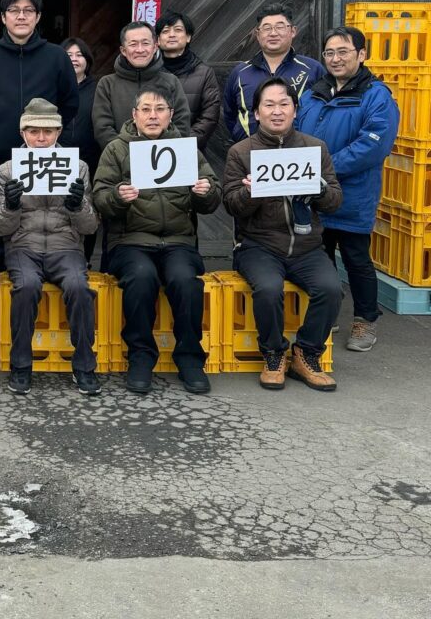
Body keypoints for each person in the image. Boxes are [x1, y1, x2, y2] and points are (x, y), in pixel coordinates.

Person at [93, 88, 221, 395]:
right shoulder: (117, 149)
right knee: (141, 277)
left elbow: (212, 196)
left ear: (171, 115)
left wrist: (205, 191)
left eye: (160, 109)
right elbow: (100, 198)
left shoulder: (185, 149)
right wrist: (117, 197)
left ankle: (190, 357)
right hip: (131, 241)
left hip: (178, 240)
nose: (153, 115)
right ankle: (140, 355)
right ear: (134, 115)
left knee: (185, 280)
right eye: (146, 109)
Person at [224, 77, 343, 392]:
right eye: (268, 105)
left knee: (331, 289)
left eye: (284, 104)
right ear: (257, 113)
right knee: (268, 288)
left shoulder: (315, 148)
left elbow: (334, 201)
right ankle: (274, 353)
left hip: (307, 246)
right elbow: (231, 206)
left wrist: (320, 188)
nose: (277, 111)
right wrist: (251, 192)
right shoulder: (241, 152)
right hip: (258, 246)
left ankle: (306, 352)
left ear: (295, 110)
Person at [296, 26, 399, 352]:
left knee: (356, 258)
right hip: (313, 192)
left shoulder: (376, 95)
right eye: (329, 52)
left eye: (343, 51)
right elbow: (297, 132)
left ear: (361, 54)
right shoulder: (314, 92)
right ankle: (328, 313)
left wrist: (323, 169)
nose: (336, 58)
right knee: (318, 254)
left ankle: (365, 320)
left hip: (352, 193)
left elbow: (372, 145)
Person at [0, 99, 100, 396]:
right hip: (23, 245)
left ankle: (84, 364)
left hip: (66, 245)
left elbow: (90, 227)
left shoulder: (76, 167)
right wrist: (11, 206)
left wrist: (77, 205)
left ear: (59, 132)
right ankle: (21, 364)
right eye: (34, 131)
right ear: (22, 132)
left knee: (79, 287)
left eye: (49, 132)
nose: (42, 139)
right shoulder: (6, 170)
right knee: (26, 287)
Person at [0, 0, 78, 168]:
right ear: (3, 17)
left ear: (38, 16)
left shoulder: (57, 56)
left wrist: (50, 129)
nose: (21, 16)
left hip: (45, 155)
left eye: (28, 10)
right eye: (14, 10)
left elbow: (70, 102)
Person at [224, 1, 325, 143]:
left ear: (293, 31)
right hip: (250, 153)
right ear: (258, 34)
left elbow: (325, 114)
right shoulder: (240, 73)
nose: (273, 33)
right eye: (266, 28)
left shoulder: (313, 69)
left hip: (299, 153)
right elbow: (230, 114)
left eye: (280, 27)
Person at [91, 21, 191, 151]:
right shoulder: (107, 84)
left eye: (145, 43)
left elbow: (181, 124)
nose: (140, 50)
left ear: (155, 47)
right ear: (124, 50)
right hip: (120, 162)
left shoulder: (171, 81)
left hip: (164, 160)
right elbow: (102, 128)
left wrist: (158, 155)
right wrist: (126, 156)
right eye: (133, 44)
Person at [60, 37, 101, 265]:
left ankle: (85, 259)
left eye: (79, 55)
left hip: (91, 160)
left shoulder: (99, 88)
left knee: (87, 210)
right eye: (68, 55)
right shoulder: (53, 87)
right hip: (58, 160)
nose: (74, 59)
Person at [155, 12, 221, 151]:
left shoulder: (204, 73)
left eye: (178, 30)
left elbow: (209, 116)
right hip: (152, 148)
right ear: (158, 40)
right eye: (166, 31)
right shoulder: (149, 73)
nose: (172, 34)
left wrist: (185, 143)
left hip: (191, 150)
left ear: (188, 37)